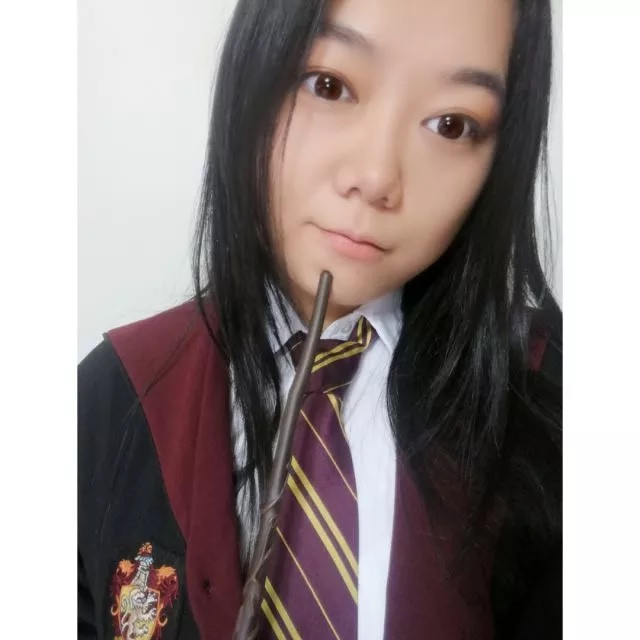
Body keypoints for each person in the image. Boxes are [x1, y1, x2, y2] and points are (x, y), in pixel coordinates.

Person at [78, 0, 562, 638]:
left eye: (452, 124)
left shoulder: (550, 393)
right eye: (329, 86)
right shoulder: (113, 400)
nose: (376, 177)